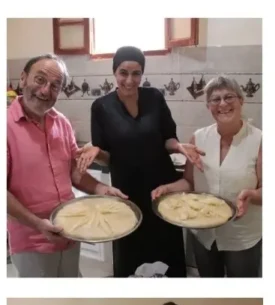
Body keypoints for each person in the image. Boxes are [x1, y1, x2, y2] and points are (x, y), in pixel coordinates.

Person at [79, 46, 204, 277]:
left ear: (142, 74)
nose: (129, 80)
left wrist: (178, 146)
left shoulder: (154, 97)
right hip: (127, 190)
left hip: (162, 188)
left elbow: (168, 137)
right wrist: (96, 152)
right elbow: (107, 157)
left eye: (136, 73)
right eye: (123, 72)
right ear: (114, 73)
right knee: (130, 251)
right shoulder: (101, 107)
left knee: (167, 248)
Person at [6, 54, 126, 278]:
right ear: (23, 78)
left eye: (54, 86)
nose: (45, 91)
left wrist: (102, 189)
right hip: (33, 240)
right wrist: (39, 225)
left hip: (71, 231)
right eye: (39, 80)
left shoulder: (61, 122)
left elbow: (74, 172)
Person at [152, 75, 263, 277]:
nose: (223, 104)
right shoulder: (199, 137)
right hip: (203, 233)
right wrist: (168, 189)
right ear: (208, 106)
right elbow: (189, 182)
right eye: (215, 99)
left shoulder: (259, 140)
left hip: (241, 235)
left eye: (229, 97)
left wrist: (251, 195)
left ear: (241, 101)